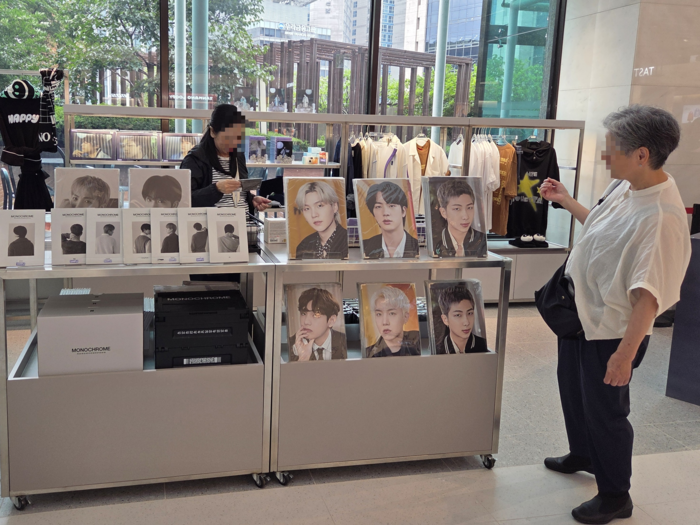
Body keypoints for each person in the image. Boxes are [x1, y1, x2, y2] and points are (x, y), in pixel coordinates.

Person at [539, 105, 691, 524]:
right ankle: (584, 453)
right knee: (574, 392)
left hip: (612, 331)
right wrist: (566, 201)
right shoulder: (627, 185)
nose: (605, 156)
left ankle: (615, 495)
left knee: (606, 412)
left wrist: (624, 356)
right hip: (583, 314)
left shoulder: (661, 218)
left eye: (612, 148)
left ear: (642, 154)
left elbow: (649, 298)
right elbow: (602, 228)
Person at [181, 104, 271, 212]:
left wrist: (251, 199)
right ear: (212, 132)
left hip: (244, 220)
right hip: (212, 221)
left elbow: (239, 193)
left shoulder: (238, 156)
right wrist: (216, 189)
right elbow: (184, 200)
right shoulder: (195, 159)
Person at [362, 181, 419, 259]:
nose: (385, 213)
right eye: (378, 206)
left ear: (403, 211)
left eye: (391, 206)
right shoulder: (365, 247)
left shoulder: (416, 246)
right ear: (373, 213)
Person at [289, 287, 347, 362]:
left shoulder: (344, 342)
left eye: (316, 315)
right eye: (303, 313)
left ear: (331, 320)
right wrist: (303, 359)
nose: (306, 322)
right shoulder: (290, 344)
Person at [294, 180, 348, 259]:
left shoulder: (347, 242)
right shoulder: (304, 245)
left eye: (320, 206)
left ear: (334, 206)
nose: (313, 215)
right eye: (307, 208)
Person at [433, 178, 487, 258]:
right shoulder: (435, 244)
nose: (465, 216)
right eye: (457, 209)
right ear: (443, 212)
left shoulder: (482, 241)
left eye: (469, 208)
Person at [366, 286, 421, 358]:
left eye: (391, 313)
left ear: (405, 317)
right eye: (379, 314)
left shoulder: (419, 342)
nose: (385, 322)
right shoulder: (367, 354)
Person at [435, 285, 487, 354]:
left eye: (470, 313)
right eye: (458, 315)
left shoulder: (483, 346)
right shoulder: (437, 351)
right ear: (445, 319)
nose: (466, 322)